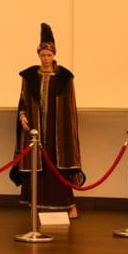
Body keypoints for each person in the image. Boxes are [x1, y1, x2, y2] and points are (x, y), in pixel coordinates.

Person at [9, 23, 83, 218]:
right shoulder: (30, 77)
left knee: (59, 167)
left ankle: (70, 206)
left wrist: (68, 132)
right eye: (43, 55)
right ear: (39, 55)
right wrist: (22, 115)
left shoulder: (64, 77)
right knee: (37, 164)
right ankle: (36, 203)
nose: (46, 59)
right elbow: (23, 100)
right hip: (36, 130)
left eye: (49, 55)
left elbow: (70, 108)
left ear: (54, 55)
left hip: (57, 132)